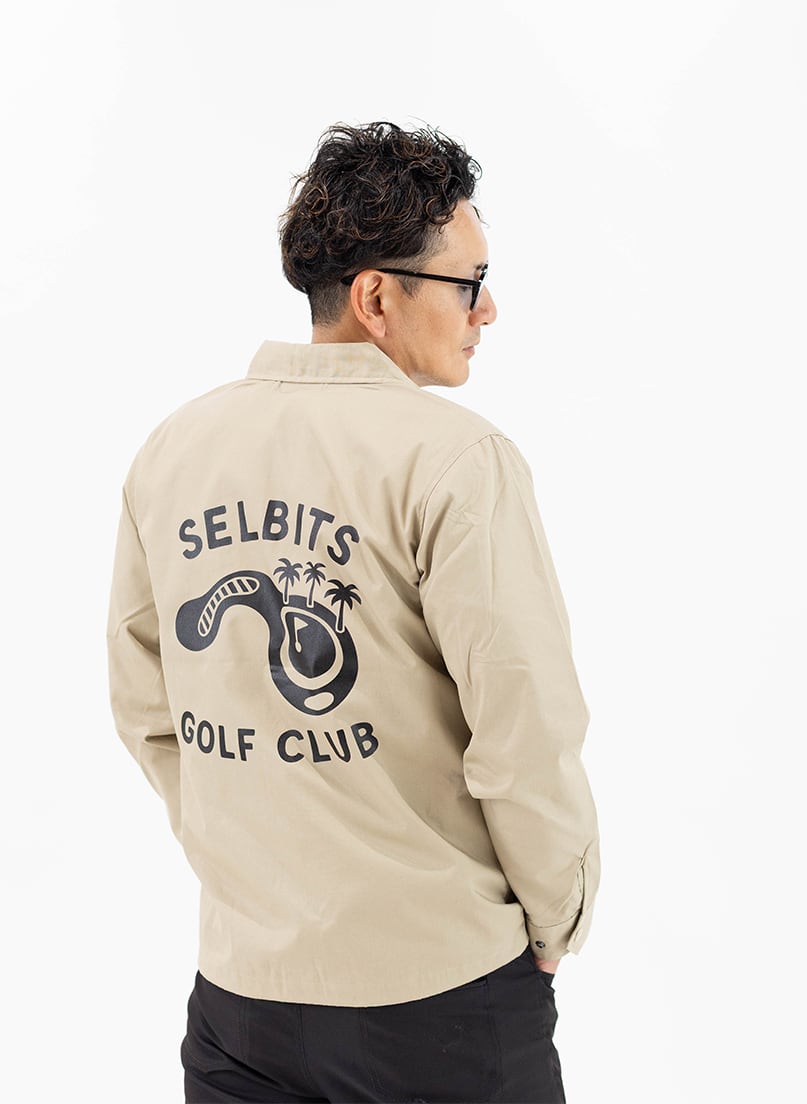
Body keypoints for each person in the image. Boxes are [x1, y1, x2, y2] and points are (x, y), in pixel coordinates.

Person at [107, 120, 600, 1104]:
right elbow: (524, 730)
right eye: (468, 282)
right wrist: (557, 919)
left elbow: (147, 709)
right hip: (440, 997)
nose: (487, 308)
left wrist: (252, 868)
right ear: (378, 297)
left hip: (241, 1002)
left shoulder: (176, 448)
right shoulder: (455, 460)